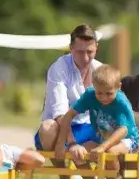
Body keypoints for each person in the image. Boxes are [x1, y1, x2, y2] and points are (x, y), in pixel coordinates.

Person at [36, 23, 103, 151]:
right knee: (47, 128)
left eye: (90, 52)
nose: (85, 58)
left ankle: (112, 171)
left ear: (96, 48)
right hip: (60, 127)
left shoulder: (101, 69)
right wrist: (72, 143)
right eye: (79, 52)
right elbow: (60, 114)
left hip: (89, 127)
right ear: (71, 48)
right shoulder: (58, 68)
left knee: (120, 131)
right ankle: (66, 171)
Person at [52, 64, 139, 162]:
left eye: (108, 93)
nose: (103, 97)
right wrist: (61, 143)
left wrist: (102, 147)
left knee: (109, 153)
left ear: (118, 87)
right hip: (103, 138)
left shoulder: (121, 102)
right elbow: (68, 115)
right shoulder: (90, 95)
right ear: (93, 85)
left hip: (128, 139)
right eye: (99, 93)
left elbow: (122, 131)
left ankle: (112, 177)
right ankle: (91, 177)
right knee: (79, 152)